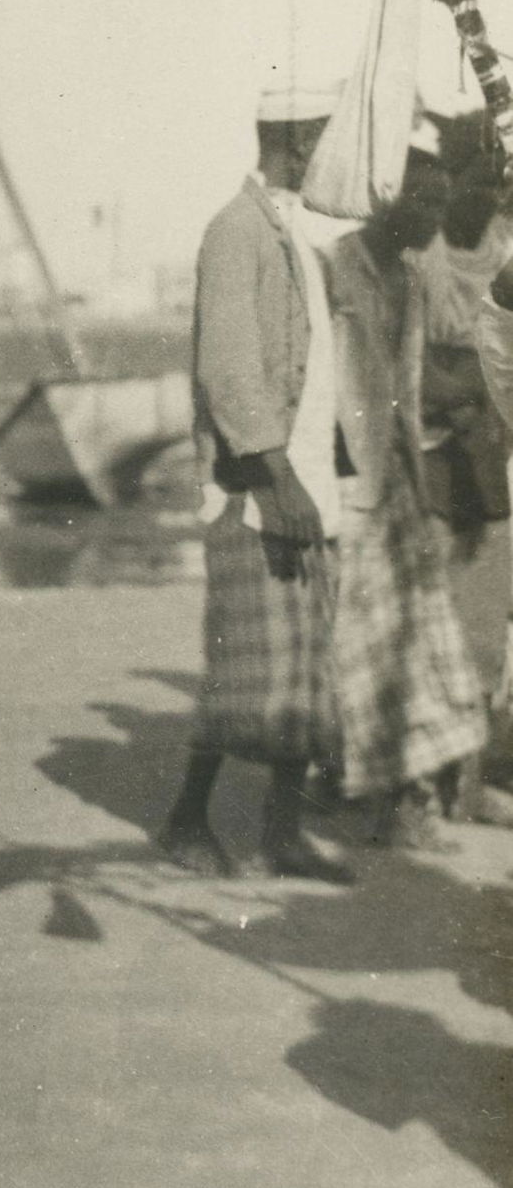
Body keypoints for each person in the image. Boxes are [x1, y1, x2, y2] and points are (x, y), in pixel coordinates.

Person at [160, 83, 351, 882]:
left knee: (306, 672)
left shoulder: (293, 234)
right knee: (246, 671)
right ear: (300, 142)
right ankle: (186, 820)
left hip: (305, 485)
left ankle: (280, 833)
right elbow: (229, 368)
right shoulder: (235, 231)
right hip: (256, 491)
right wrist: (277, 478)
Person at [325, 134, 489, 844]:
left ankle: (406, 796)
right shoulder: (339, 268)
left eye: (440, 204)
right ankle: (380, 797)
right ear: (387, 192)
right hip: (346, 483)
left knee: (420, 640)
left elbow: (412, 387)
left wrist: (418, 484)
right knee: (360, 645)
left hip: (398, 476)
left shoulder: (415, 280)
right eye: (421, 201)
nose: (430, 217)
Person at [417, 117, 513, 825]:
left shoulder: (496, 246)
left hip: (488, 458)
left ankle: (472, 775)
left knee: (484, 627)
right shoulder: (427, 255)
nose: (490, 188)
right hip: (444, 459)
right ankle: (447, 779)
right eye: (477, 176)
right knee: (447, 619)